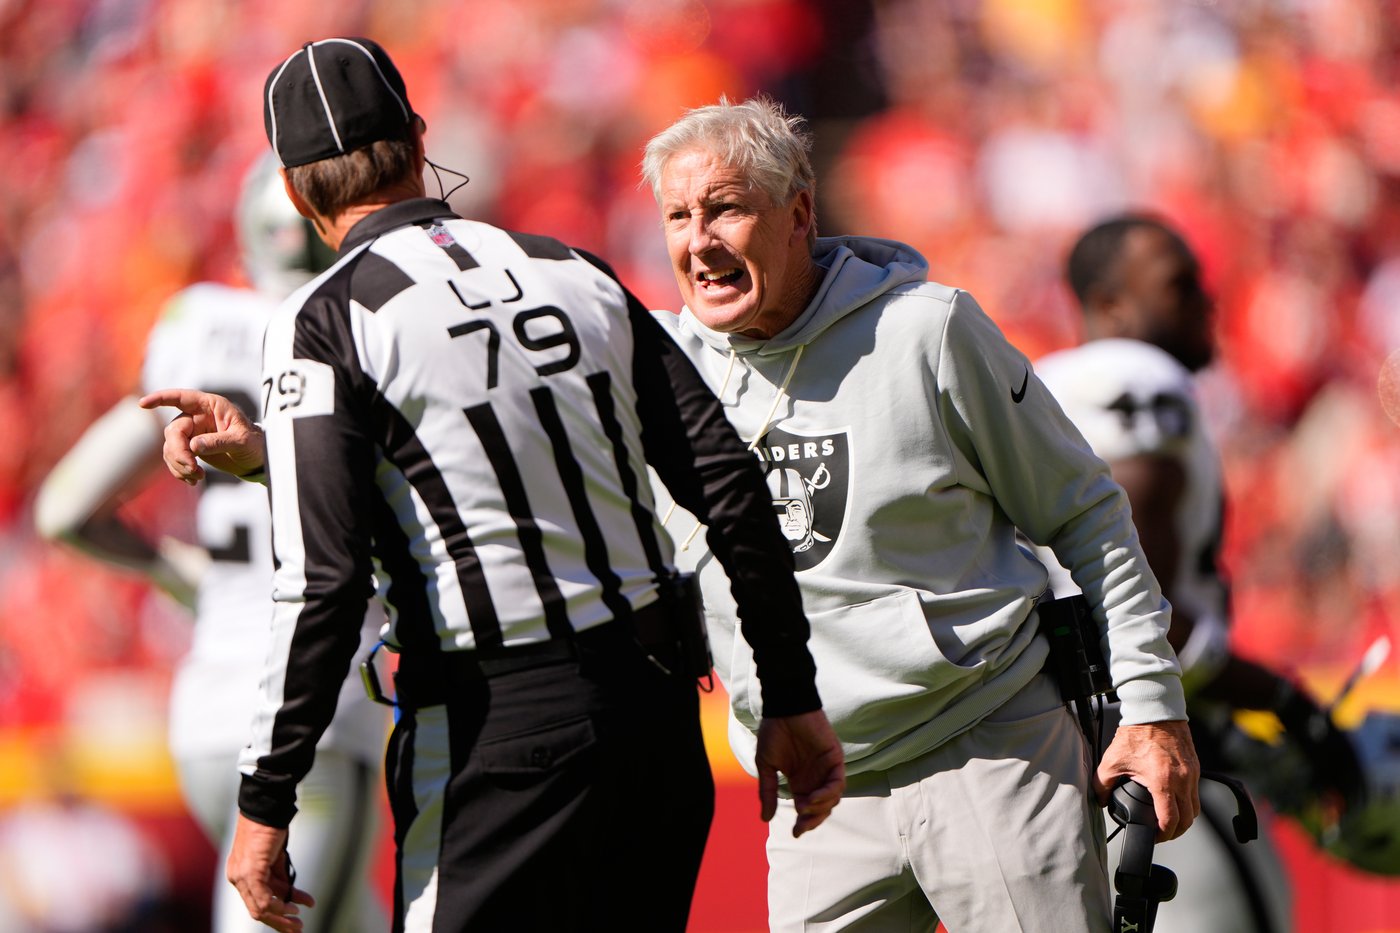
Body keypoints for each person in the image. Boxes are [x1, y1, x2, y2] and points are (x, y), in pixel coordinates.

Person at [141, 37, 843, 933]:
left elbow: (325, 581)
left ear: (293, 188)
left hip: (492, 725)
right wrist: (791, 690)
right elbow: (728, 483)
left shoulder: (322, 319)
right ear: (418, 138)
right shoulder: (571, 267)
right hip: (651, 708)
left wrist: (264, 798)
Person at [639, 96, 1199, 932]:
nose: (699, 241)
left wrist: (1153, 706)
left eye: (724, 208)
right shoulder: (655, 372)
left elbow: (1087, 514)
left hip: (992, 750)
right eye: (679, 216)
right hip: (817, 795)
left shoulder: (928, 331)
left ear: (799, 214)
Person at [33, 153, 390, 933]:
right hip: (315, 712)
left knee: (349, 920)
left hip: (207, 710)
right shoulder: (368, 326)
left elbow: (64, 508)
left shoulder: (201, 326)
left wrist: (178, 573)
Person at [1035, 213, 1363, 932]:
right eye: (1179, 285)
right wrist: (1283, 700)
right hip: (1145, 752)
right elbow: (1127, 597)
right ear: (1113, 305)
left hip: (1053, 754)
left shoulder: (1039, 385)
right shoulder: (1138, 380)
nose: (1206, 300)